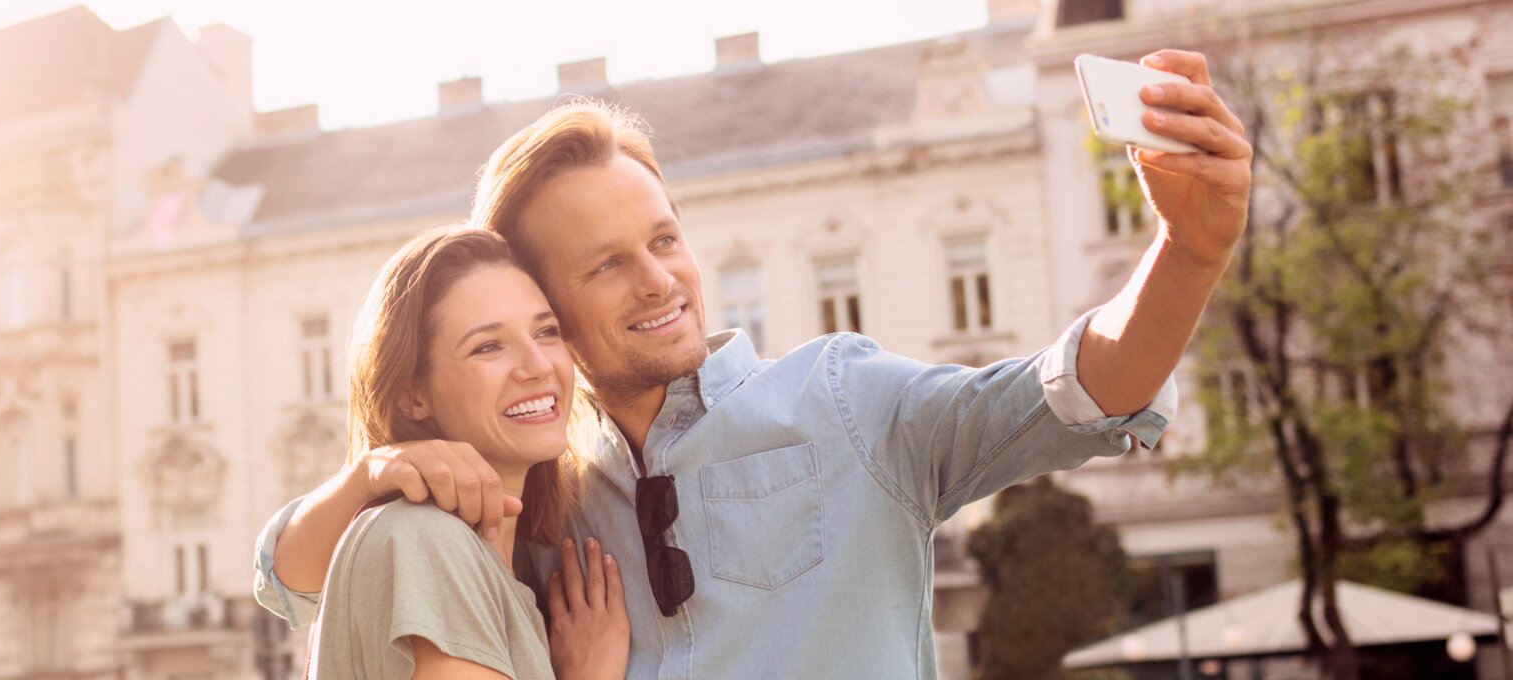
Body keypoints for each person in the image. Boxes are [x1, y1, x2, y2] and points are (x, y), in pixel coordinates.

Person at [254, 49, 1252, 678]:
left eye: (665, 238)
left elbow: (1080, 386)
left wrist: (1189, 250)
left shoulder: (846, 399)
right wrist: (370, 470)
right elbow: (297, 577)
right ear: (549, 309)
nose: (660, 280)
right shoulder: (539, 497)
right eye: (606, 264)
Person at [304, 228, 628, 680]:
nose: (538, 365)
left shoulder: (486, 563)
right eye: (488, 346)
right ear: (412, 397)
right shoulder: (425, 541)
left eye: (546, 331)